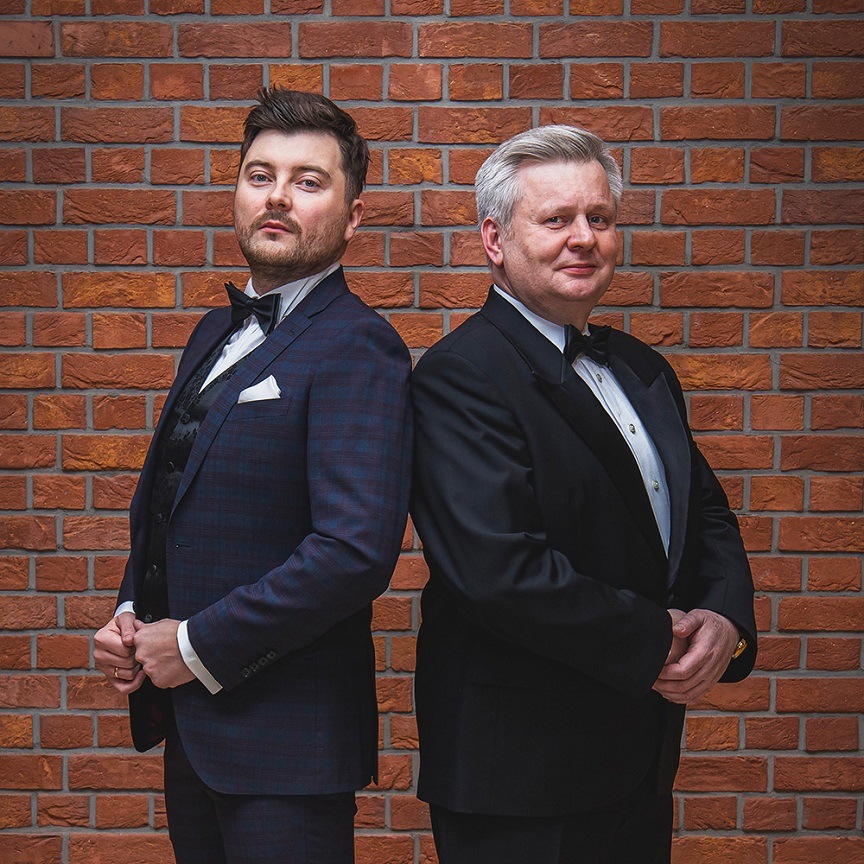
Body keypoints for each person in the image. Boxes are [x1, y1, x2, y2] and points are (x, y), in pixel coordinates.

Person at [410, 125, 756, 864]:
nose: (583, 239)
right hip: (520, 778)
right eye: (556, 219)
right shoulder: (459, 376)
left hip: (638, 759)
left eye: (599, 218)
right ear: (495, 240)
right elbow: (499, 572)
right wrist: (658, 637)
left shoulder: (640, 366)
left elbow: (704, 511)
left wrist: (726, 616)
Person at [93, 87, 412, 864]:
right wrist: (133, 611)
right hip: (193, 731)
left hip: (287, 748)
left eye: (308, 181)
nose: (277, 196)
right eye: (260, 175)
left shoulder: (360, 344)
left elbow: (353, 551)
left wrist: (195, 644)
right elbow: (171, 498)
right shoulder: (212, 331)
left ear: (353, 216)